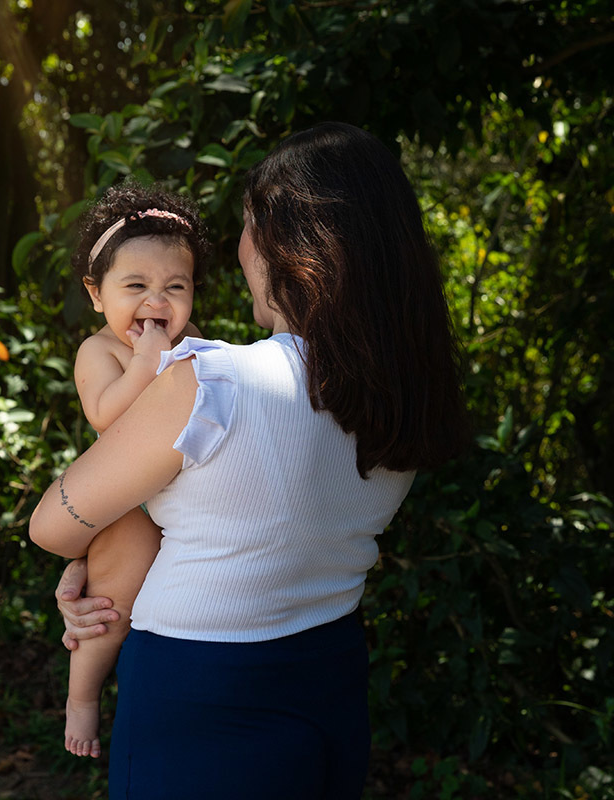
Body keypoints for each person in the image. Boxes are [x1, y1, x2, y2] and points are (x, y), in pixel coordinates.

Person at [29, 122, 467, 798]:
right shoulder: (405, 393)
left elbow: (53, 527)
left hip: (202, 694)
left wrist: (93, 559)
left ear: (286, 246)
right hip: (331, 674)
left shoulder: (214, 381)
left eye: (246, 226)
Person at [62, 182, 211, 758]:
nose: (157, 301)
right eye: (136, 286)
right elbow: (105, 416)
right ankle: (83, 695)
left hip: (184, 500)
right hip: (124, 502)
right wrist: (146, 363)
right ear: (96, 294)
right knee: (110, 608)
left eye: (176, 286)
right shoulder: (100, 352)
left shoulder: (194, 340)